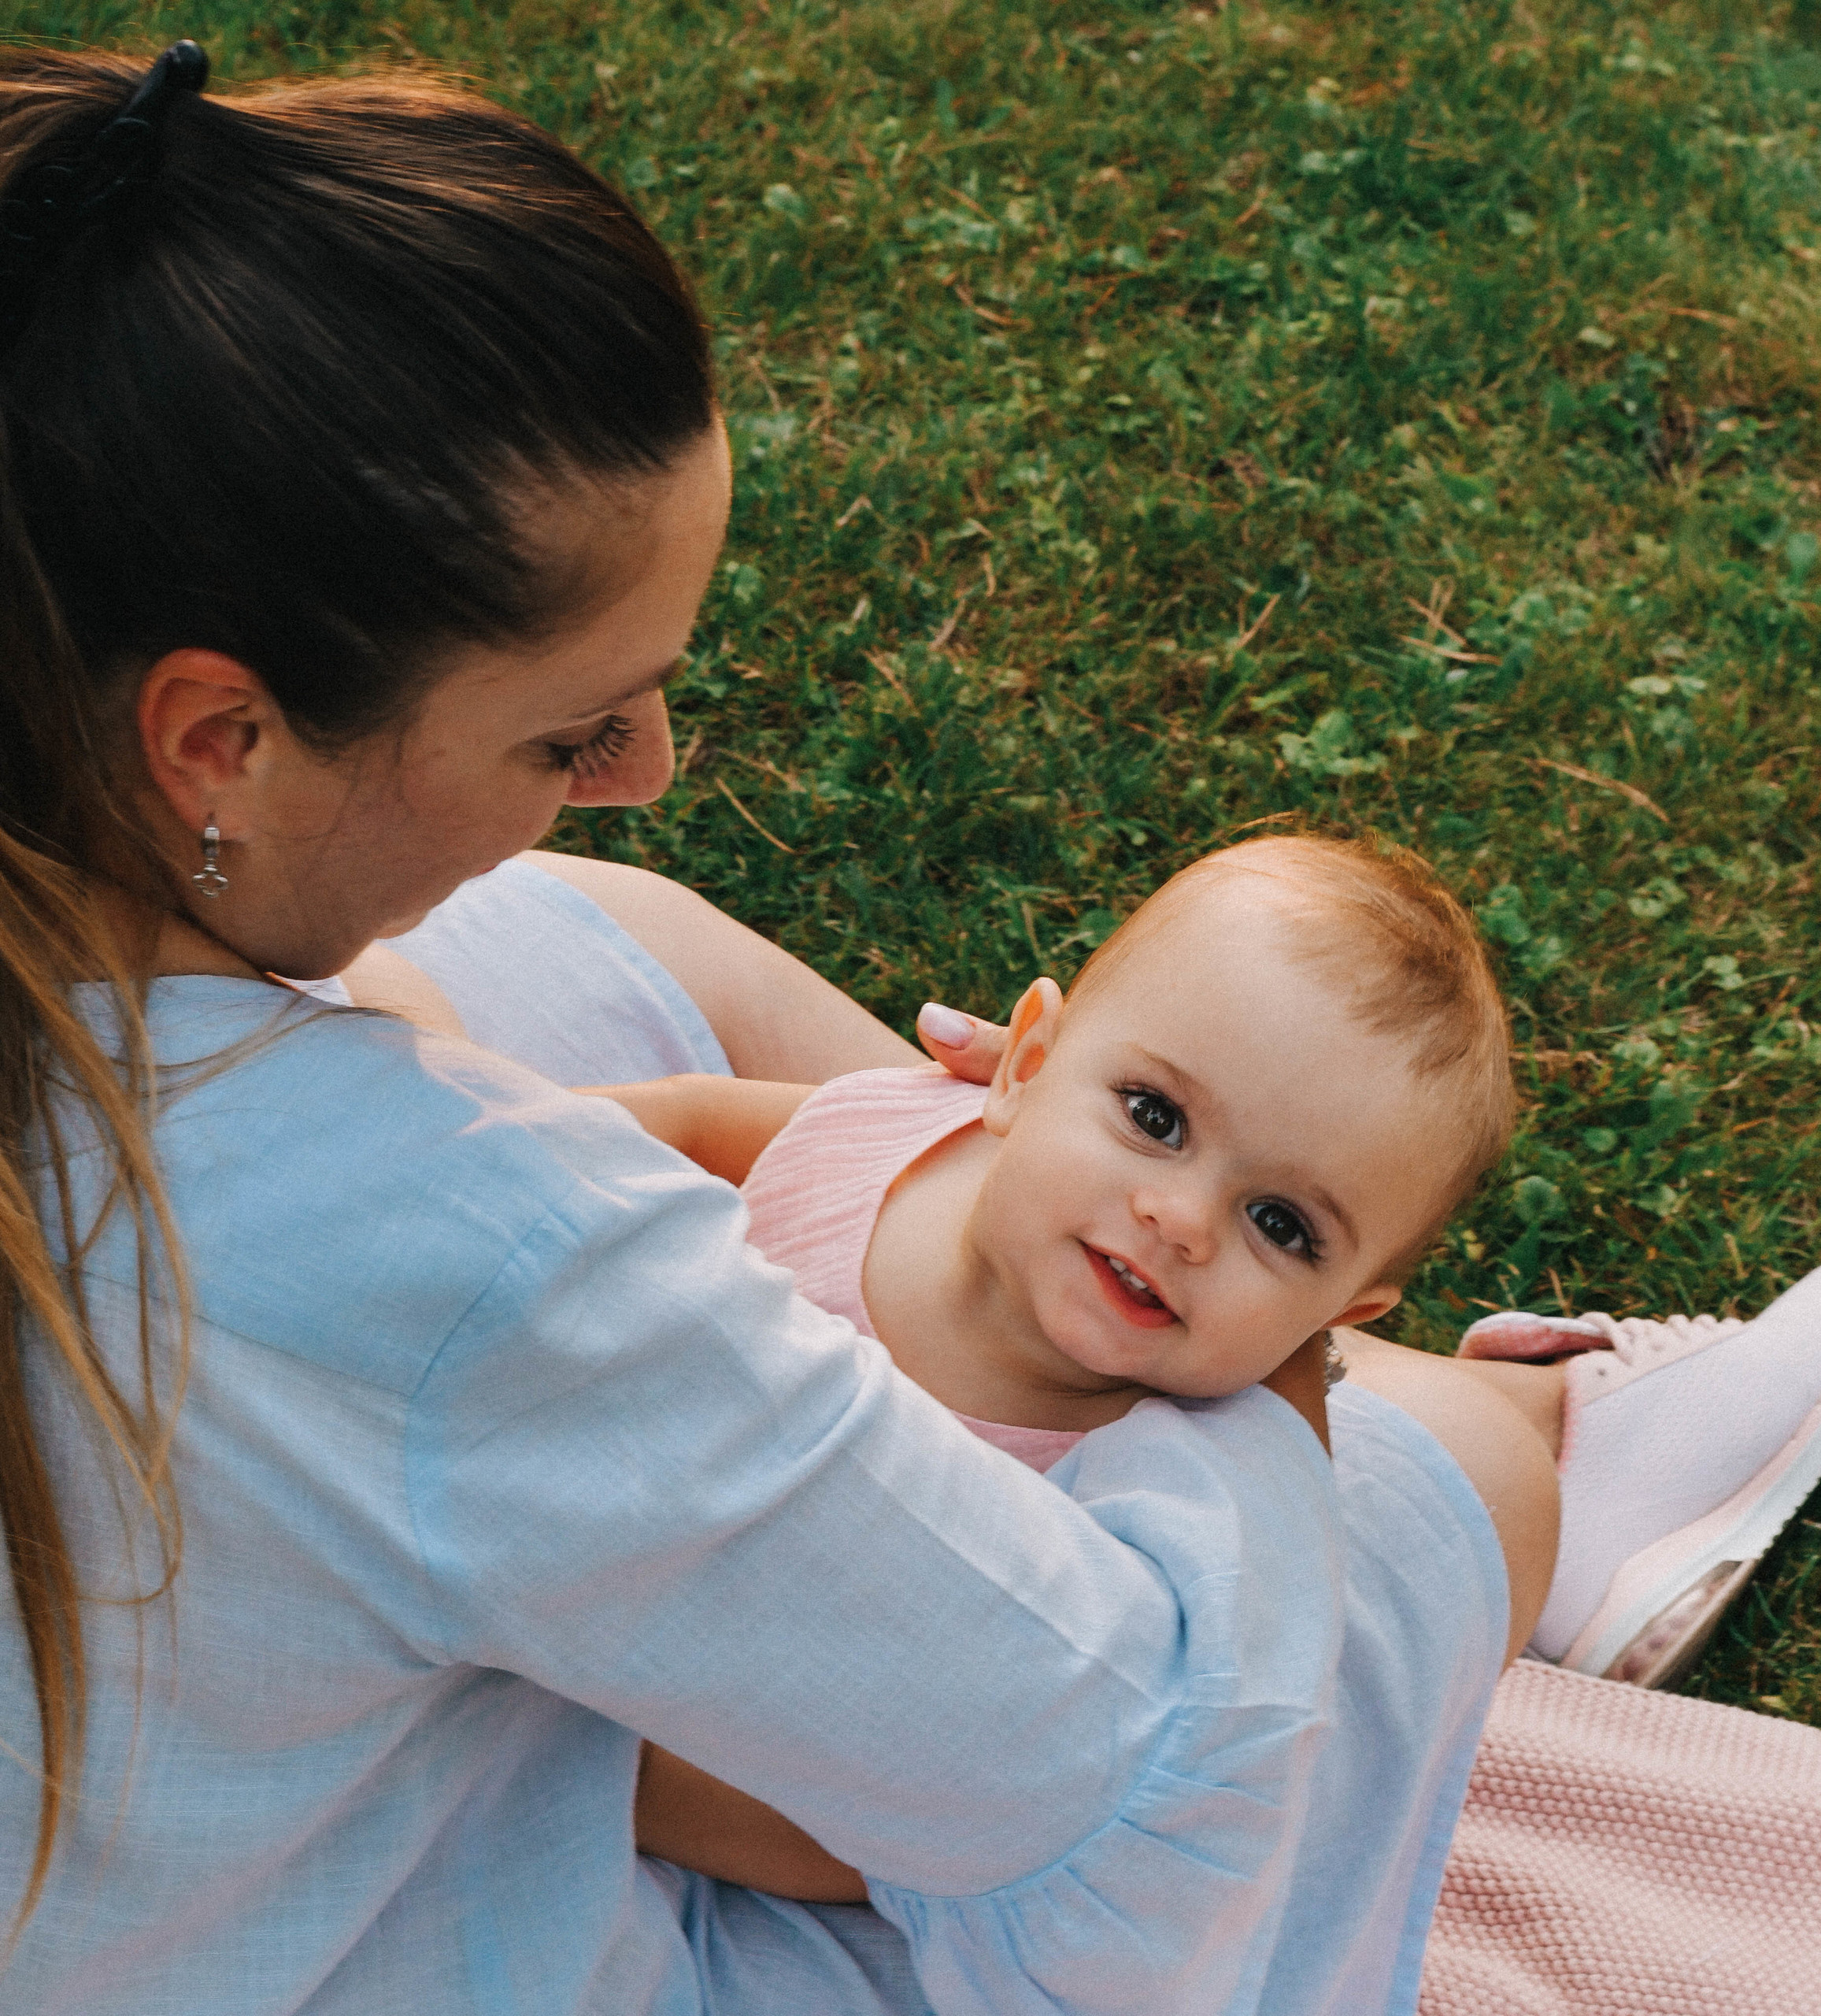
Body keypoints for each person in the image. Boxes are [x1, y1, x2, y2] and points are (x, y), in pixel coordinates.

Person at [0, 42, 1812, 2016]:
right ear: (219, 740)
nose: (646, 763)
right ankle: (1526, 1420)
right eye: (567, 726)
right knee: (1429, 1487)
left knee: (573, 926)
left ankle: (1016, 1228)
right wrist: (1283, 1420)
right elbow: (1122, 1807)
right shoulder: (470, 1267)